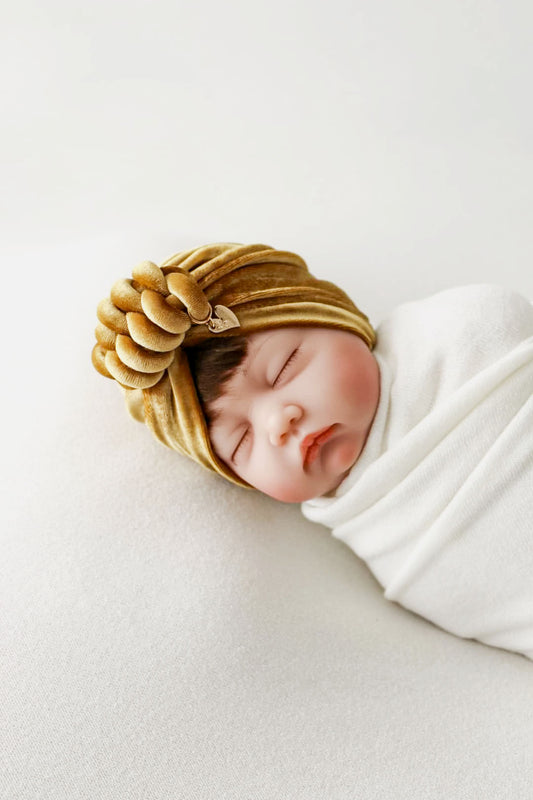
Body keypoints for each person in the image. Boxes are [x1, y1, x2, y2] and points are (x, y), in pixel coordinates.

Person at [92, 242, 533, 660]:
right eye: (242, 442)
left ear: (338, 319)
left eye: (284, 368)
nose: (276, 423)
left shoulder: (463, 332)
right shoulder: (380, 535)